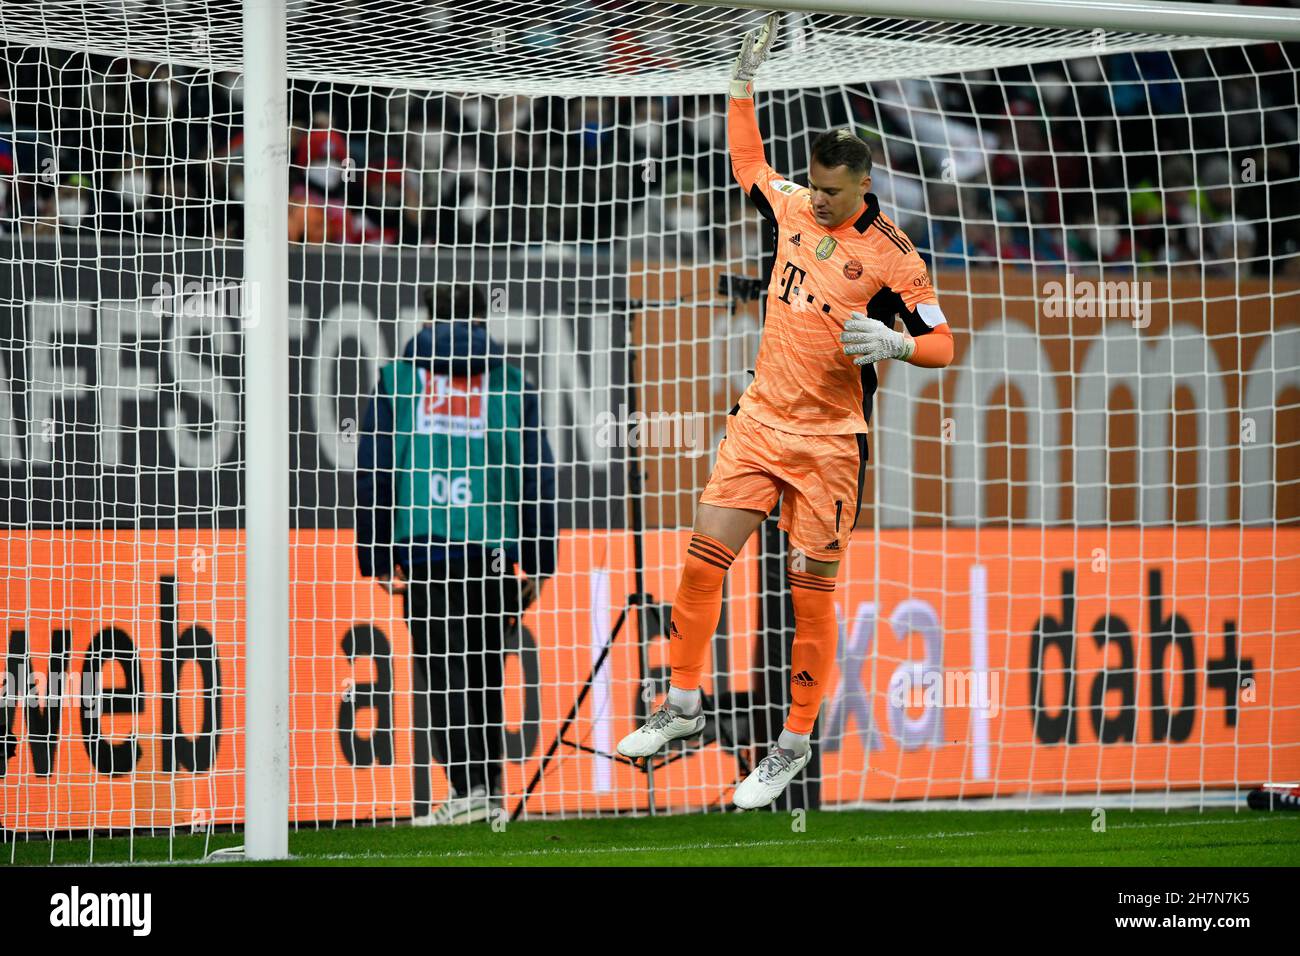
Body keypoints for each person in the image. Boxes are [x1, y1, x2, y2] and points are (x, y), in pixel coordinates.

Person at [616, 12, 955, 809]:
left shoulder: (895, 259)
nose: (822, 203)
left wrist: (899, 346)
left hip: (832, 444)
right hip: (760, 422)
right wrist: (741, 85)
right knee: (702, 561)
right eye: (817, 188)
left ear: (865, 184)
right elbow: (748, 161)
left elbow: (945, 345)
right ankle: (685, 706)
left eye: (836, 192)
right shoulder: (795, 207)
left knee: (810, 601)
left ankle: (794, 743)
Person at [355, 284, 558, 824]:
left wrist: (375, 552)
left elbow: (375, 466)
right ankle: (487, 791)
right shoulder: (509, 382)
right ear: (479, 321)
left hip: (425, 545)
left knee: (442, 670)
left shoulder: (400, 380)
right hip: (490, 549)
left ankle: (464, 788)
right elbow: (535, 471)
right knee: (485, 669)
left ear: (427, 318)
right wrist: (538, 555)